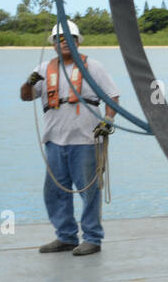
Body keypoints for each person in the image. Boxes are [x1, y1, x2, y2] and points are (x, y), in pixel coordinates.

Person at [19, 20, 120, 256]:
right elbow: (25, 97)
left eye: (70, 39)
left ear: (78, 42)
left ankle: (92, 238)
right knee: (55, 191)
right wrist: (28, 82)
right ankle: (65, 236)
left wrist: (108, 121)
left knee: (89, 190)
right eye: (59, 39)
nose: (64, 43)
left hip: (85, 140)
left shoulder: (92, 66)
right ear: (53, 44)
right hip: (54, 140)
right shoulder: (43, 68)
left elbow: (113, 96)